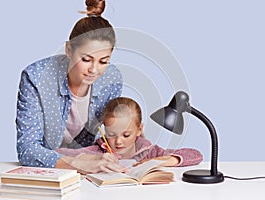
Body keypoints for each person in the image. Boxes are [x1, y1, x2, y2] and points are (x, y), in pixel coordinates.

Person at [16, 0, 126, 173]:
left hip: (91, 174)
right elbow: (27, 150)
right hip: (47, 172)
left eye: (104, 61)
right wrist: (80, 164)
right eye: (86, 59)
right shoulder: (35, 78)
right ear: (69, 50)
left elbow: (109, 137)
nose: (94, 70)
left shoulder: (112, 79)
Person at [56, 97, 203, 169]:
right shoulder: (97, 151)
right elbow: (58, 154)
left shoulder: (151, 151)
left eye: (126, 135)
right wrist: (89, 159)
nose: (118, 142)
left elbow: (195, 154)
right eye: (112, 134)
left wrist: (167, 160)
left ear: (139, 129)